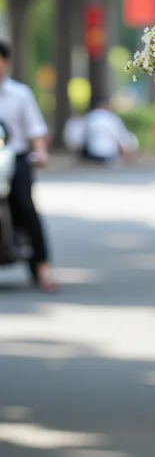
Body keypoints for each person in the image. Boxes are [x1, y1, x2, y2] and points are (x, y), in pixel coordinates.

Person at [0, 39, 57, 292]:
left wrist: (41, 153)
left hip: (15, 159)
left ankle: (42, 268)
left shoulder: (20, 94)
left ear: (6, 62)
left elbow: (35, 130)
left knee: (24, 204)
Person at [64, 98, 139, 163]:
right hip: (109, 154)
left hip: (92, 153)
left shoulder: (89, 117)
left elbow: (79, 138)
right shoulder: (112, 118)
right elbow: (121, 137)